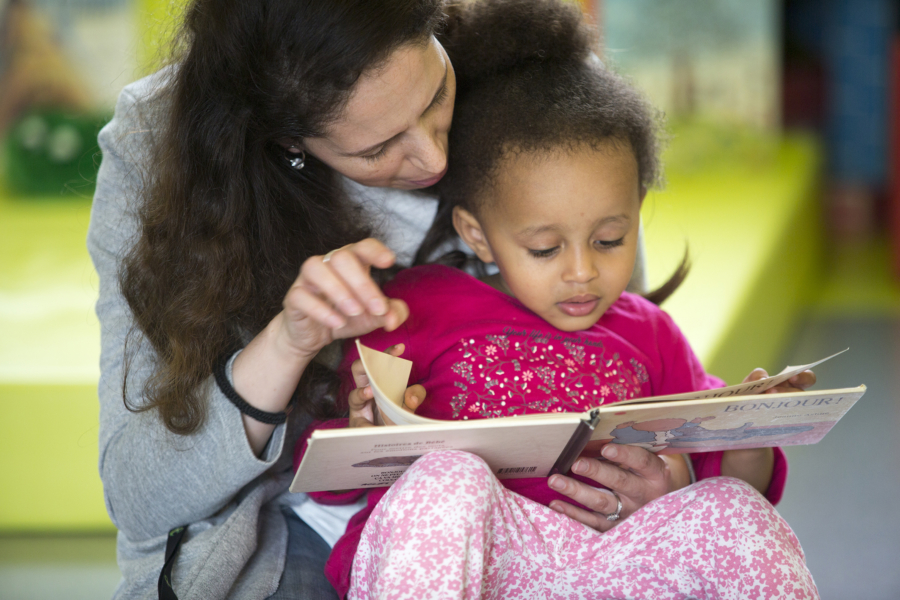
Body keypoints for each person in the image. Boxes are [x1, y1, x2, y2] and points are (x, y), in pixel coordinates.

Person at [88, 0, 652, 597]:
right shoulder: (157, 144)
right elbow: (141, 497)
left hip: (531, 520)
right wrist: (289, 341)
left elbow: (624, 354)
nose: (434, 158)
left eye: (435, 94)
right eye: (376, 149)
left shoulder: (538, 86)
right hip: (280, 537)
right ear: (288, 141)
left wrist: (645, 486)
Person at [296, 1, 820, 597]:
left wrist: (746, 433)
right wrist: (364, 434)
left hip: (612, 565)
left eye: (609, 240)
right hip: (479, 566)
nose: (582, 272)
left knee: (729, 508)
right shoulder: (413, 308)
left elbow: (731, 491)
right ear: (477, 234)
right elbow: (326, 484)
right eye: (545, 248)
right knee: (447, 476)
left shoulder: (649, 333)